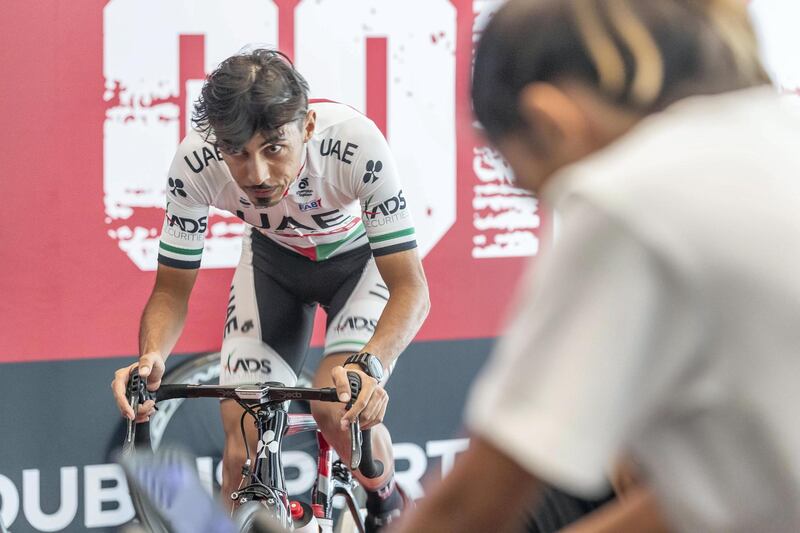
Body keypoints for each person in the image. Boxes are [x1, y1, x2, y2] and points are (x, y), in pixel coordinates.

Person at [397, 0, 800, 532]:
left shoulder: (631, 197)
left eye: (536, 185)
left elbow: (465, 513)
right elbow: (729, 492)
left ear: (550, 119)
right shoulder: (776, 131)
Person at [110, 48, 430, 532]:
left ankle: (386, 500)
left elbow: (412, 289)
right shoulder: (194, 163)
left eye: (273, 148)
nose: (256, 174)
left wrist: (372, 365)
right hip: (273, 266)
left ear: (307, 127)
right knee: (242, 434)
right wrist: (151, 356)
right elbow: (171, 290)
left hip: (360, 267)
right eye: (236, 152)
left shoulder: (355, 145)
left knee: (334, 406)